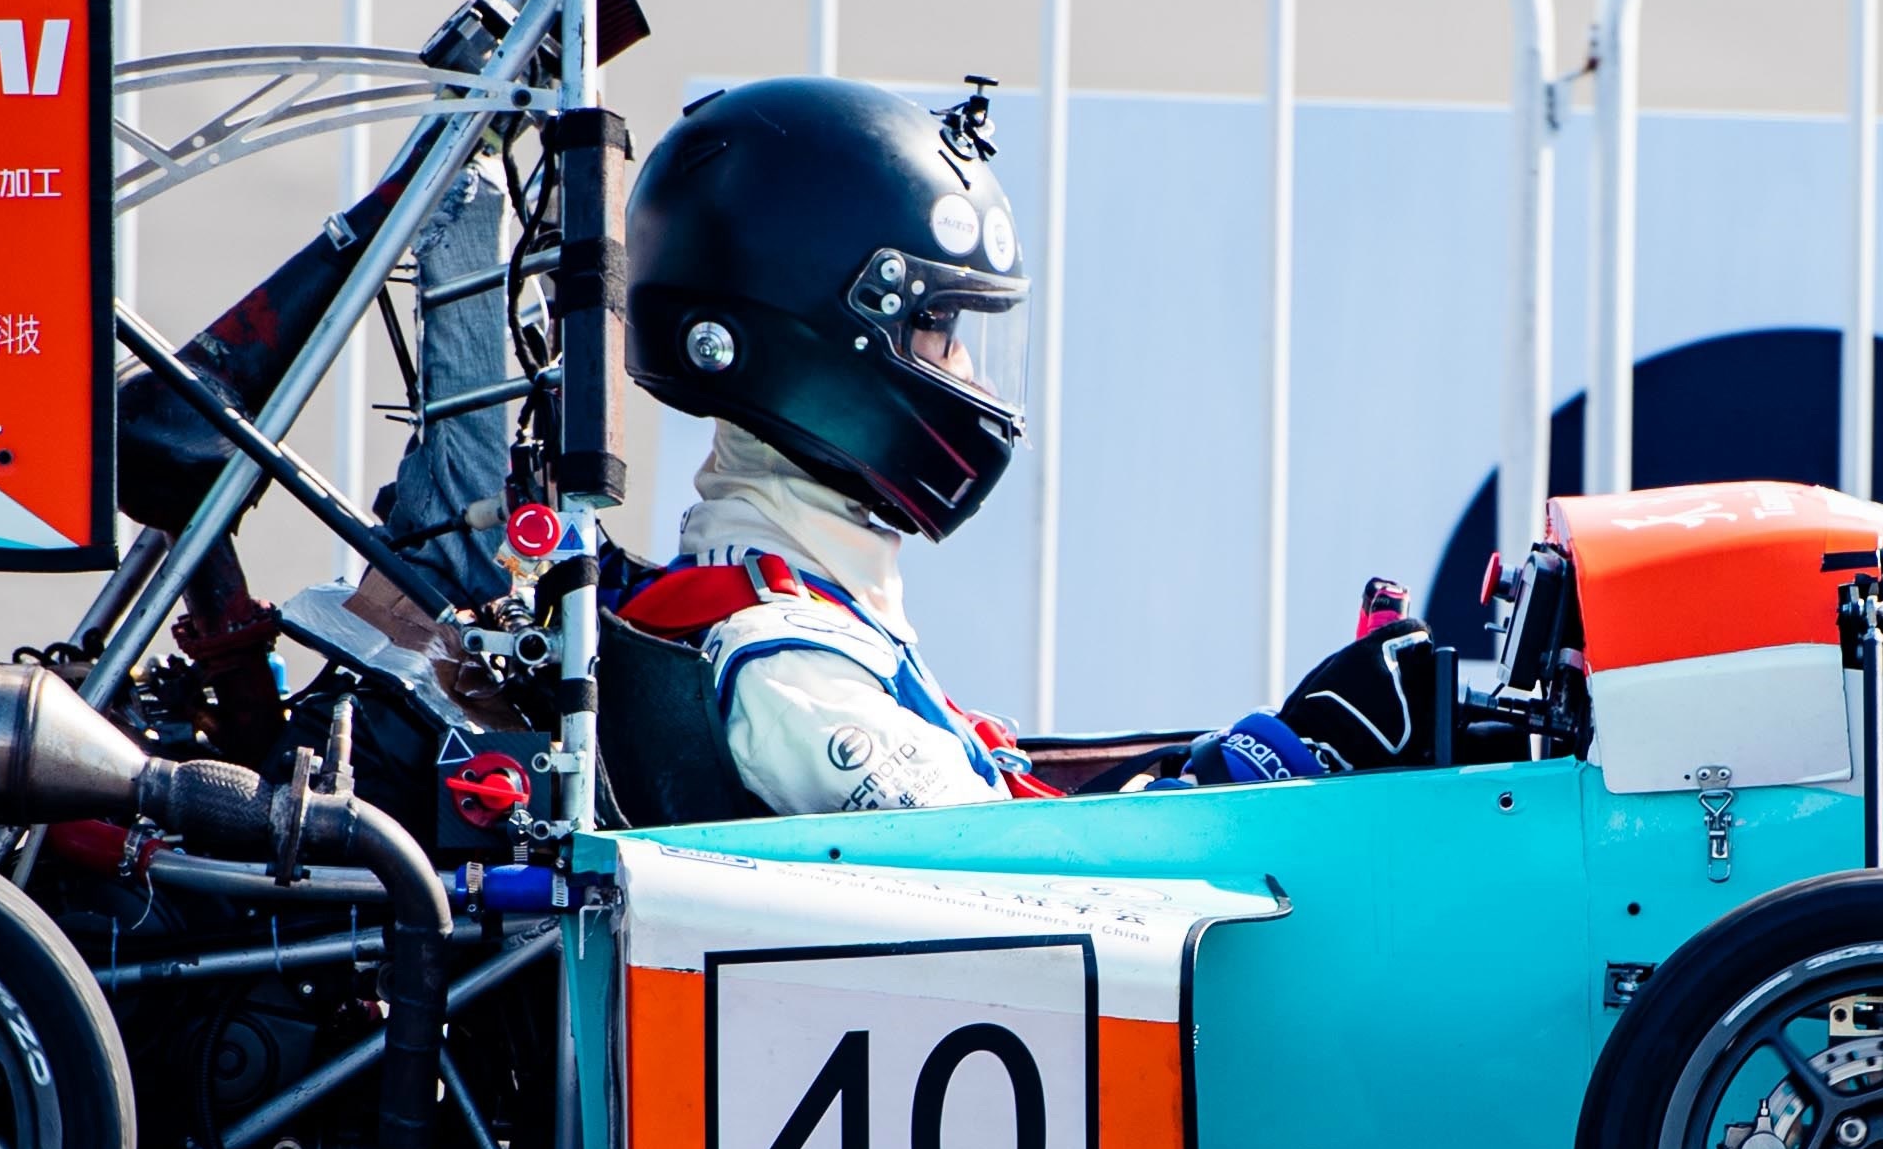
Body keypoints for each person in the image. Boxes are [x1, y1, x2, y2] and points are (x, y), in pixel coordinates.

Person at [606, 77, 1414, 815]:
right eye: (936, 325)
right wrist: (1290, 761)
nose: (964, 370)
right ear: (809, 337)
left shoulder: (813, 617)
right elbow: (1024, 881)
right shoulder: (790, 674)